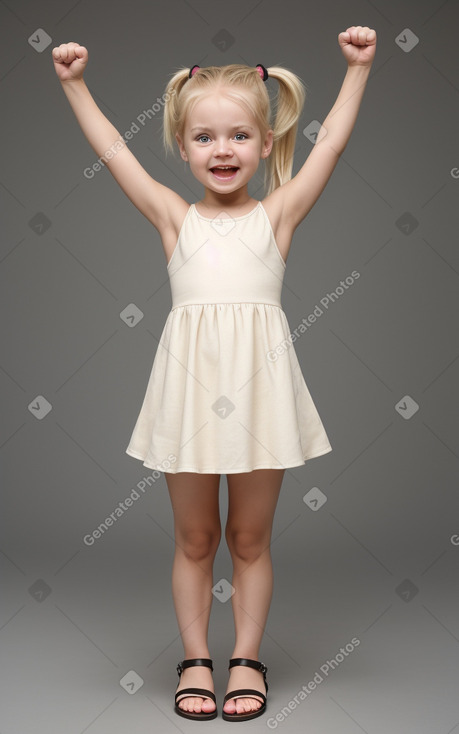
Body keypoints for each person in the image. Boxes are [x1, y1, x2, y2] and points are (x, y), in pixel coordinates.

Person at [52, 25, 376, 722]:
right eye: (203, 137)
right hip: (190, 394)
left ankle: (247, 659)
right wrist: (74, 84)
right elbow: (112, 150)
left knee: (250, 539)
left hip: (259, 392)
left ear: (264, 144)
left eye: (236, 136)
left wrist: (357, 69)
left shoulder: (278, 214)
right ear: (181, 145)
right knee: (195, 538)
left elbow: (333, 144)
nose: (220, 150)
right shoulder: (173, 218)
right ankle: (196, 658)